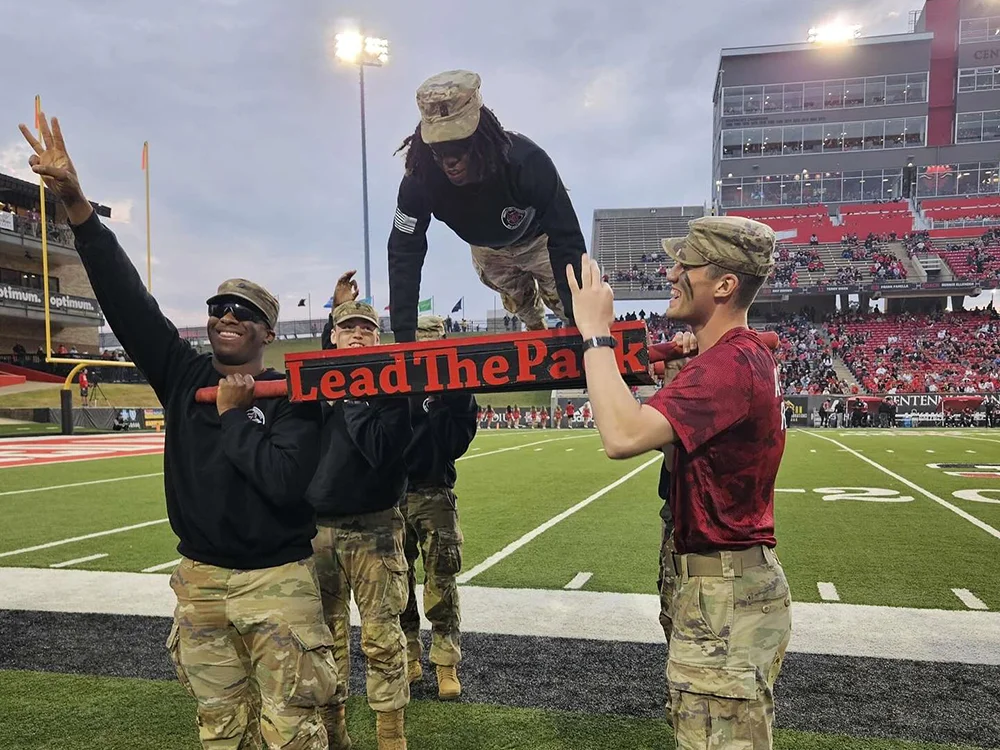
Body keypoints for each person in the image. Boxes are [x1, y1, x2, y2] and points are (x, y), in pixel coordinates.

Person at [21, 114, 339, 749]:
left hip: (276, 580)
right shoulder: (179, 372)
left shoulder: (294, 397)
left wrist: (232, 414)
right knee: (220, 733)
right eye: (218, 307)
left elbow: (283, 482)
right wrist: (78, 206)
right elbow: (127, 300)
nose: (226, 317)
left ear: (267, 332)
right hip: (199, 582)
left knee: (294, 734)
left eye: (244, 313)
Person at [565, 215, 792, 749]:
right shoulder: (731, 357)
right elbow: (675, 452)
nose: (671, 273)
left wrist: (596, 333)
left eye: (685, 265)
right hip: (717, 588)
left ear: (724, 284)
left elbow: (621, 436)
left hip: (724, 594)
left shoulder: (732, 362)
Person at [388, 70, 586, 342]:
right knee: (521, 303)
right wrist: (404, 336)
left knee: (563, 301)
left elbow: (567, 238)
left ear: (480, 134)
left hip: (538, 240)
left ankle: (563, 320)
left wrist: (581, 326)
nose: (450, 160)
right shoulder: (420, 178)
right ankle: (534, 326)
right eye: (439, 149)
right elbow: (404, 250)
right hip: (488, 251)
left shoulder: (526, 162)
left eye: (459, 146)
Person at [305, 292, 413, 750]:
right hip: (314, 532)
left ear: (377, 337)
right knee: (322, 640)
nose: (357, 334)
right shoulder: (313, 387)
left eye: (366, 328)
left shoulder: (392, 388)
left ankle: (391, 739)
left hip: (373, 529)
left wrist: (352, 392)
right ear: (333, 336)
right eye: (348, 327)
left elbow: (382, 453)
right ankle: (335, 734)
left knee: (382, 640)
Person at [399, 315, 478, 700]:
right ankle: (410, 654)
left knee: (442, 581)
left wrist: (442, 398)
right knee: (397, 584)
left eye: (436, 344)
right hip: (393, 494)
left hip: (435, 492)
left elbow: (454, 444)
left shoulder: (459, 390)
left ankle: (446, 662)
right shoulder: (394, 379)